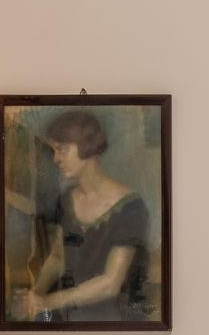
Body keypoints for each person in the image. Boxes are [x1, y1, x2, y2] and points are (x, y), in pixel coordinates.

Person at [16, 109, 155, 321]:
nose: (56, 159)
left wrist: (47, 302)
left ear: (87, 146)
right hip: (69, 311)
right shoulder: (66, 200)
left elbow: (110, 284)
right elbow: (58, 257)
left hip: (113, 316)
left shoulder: (131, 208)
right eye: (54, 151)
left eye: (62, 150)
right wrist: (35, 294)